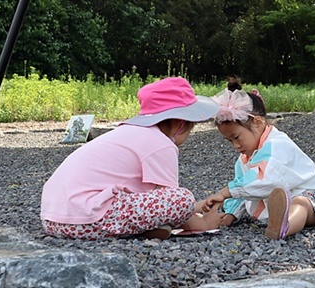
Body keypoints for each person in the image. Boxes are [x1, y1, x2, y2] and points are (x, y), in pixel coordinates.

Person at [40, 77, 221, 240]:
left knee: (168, 201)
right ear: (180, 124)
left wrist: (198, 207)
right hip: (90, 219)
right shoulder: (161, 143)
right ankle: (145, 229)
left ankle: (144, 230)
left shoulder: (127, 134)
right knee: (183, 198)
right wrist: (205, 224)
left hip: (54, 219)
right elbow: (172, 200)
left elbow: (150, 198)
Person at [202, 77, 315, 240]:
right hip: (279, 202)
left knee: (301, 205)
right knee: (262, 192)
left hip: (310, 197)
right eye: (230, 141)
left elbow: (263, 178)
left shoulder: (277, 144)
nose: (235, 145)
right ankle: (278, 219)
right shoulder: (245, 158)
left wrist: (224, 193)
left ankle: (284, 226)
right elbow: (242, 186)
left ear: (258, 123)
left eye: (237, 137)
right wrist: (232, 214)